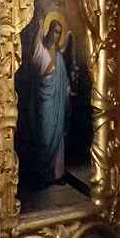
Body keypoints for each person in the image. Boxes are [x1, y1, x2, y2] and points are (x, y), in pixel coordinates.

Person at [27, 16, 73, 184]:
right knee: (44, 137)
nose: (56, 35)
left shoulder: (59, 58)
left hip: (57, 103)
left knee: (57, 137)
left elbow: (64, 80)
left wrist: (67, 90)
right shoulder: (42, 51)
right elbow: (33, 52)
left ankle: (57, 174)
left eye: (59, 33)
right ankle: (43, 174)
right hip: (45, 102)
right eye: (54, 31)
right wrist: (39, 28)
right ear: (49, 32)